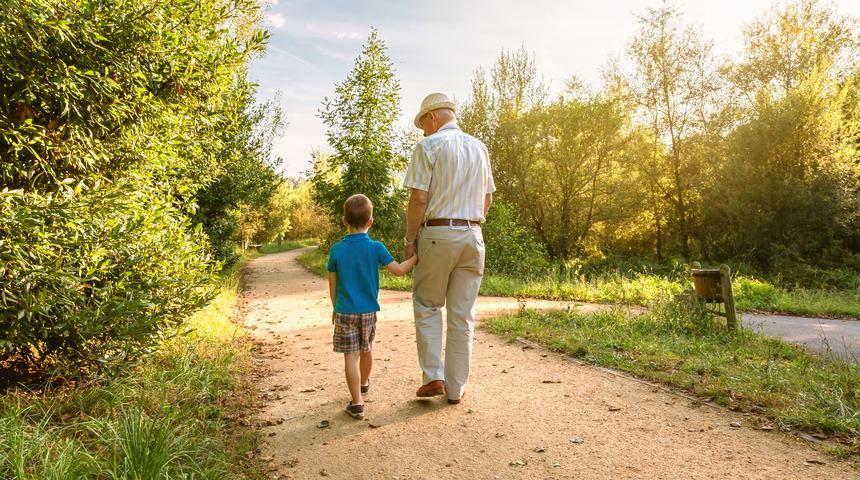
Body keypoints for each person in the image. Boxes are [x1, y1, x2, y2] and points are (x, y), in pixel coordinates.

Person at [403, 92, 495, 405]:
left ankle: (433, 377)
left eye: (423, 124)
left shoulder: (428, 146)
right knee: (462, 315)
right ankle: (456, 389)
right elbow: (487, 199)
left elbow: (418, 199)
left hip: (437, 234)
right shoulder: (479, 147)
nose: (423, 131)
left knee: (428, 305)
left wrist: (409, 240)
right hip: (473, 235)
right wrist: (472, 223)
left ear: (432, 117)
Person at [327, 194, 417, 419]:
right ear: (371, 222)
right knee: (366, 349)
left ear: (344, 221)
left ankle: (357, 403)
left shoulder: (337, 250)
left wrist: (335, 308)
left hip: (345, 311)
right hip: (368, 311)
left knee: (350, 356)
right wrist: (417, 258)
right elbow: (398, 271)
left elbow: (332, 283)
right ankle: (364, 382)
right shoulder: (376, 247)